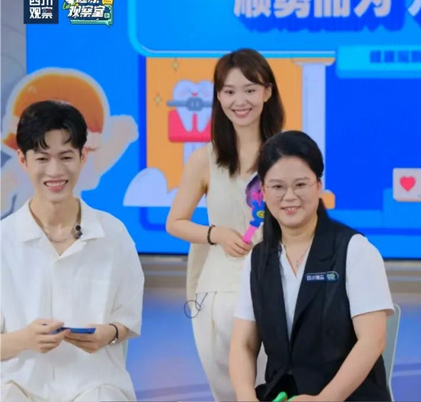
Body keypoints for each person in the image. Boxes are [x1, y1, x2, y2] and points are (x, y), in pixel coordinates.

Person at [229, 130, 394, 401]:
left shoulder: (355, 250)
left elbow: (372, 341)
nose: (289, 196)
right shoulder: (257, 259)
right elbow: (243, 344)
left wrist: (324, 400)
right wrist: (246, 396)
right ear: (263, 192)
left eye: (300, 185)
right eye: (277, 187)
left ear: (318, 187)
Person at [0, 100, 144, 401]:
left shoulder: (113, 234)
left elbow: (127, 320)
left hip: (94, 384)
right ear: (23, 160)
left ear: (83, 156)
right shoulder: (4, 240)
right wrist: (25, 339)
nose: (55, 171)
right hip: (18, 386)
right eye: (42, 158)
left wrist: (109, 333)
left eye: (66, 157)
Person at [166, 48, 284, 401]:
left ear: (267, 92)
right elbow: (175, 222)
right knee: (231, 389)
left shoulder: (287, 154)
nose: (239, 101)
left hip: (277, 283)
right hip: (219, 289)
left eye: (250, 89)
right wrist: (215, 234)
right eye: (229, 91)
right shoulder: (205, 158)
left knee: (276, 386)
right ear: (218, 97)